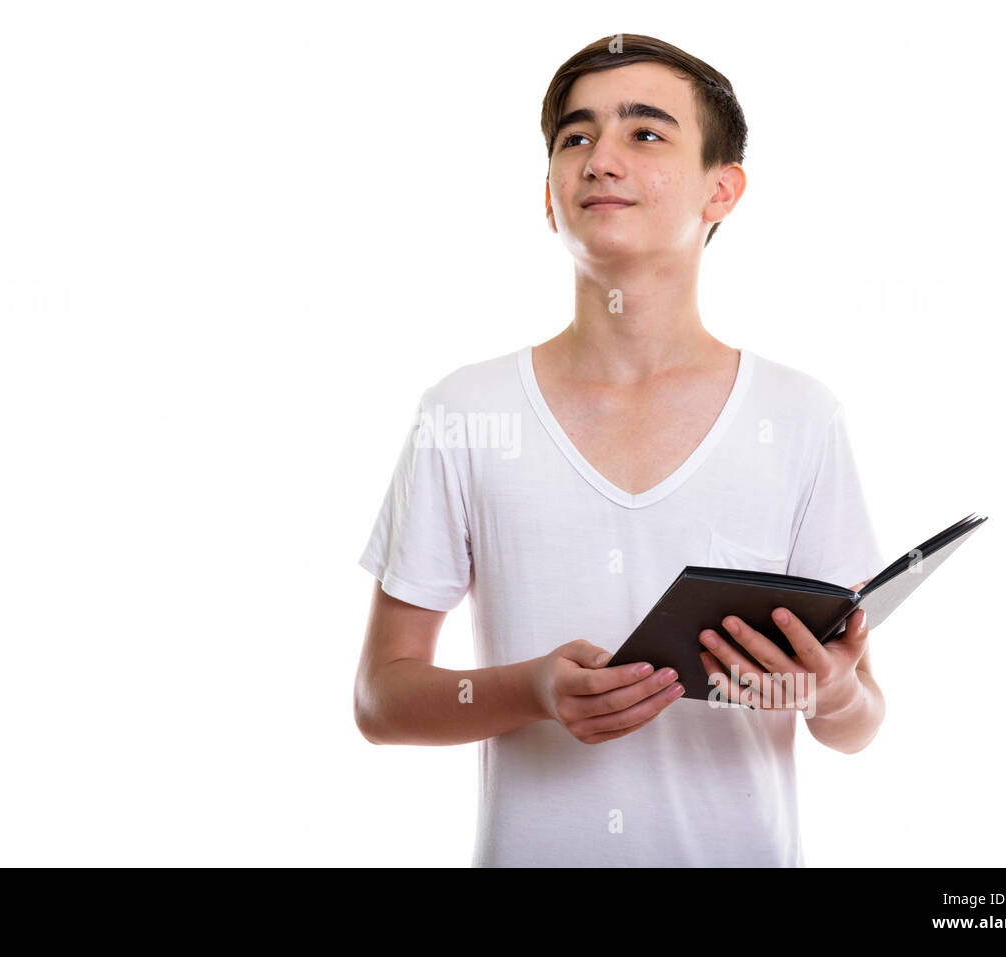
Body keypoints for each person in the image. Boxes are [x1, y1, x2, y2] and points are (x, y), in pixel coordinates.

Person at [353, 34, 886, 866]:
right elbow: (382, 698)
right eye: (576, 137)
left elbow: (856, 724)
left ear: (722, 189)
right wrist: (528, 689)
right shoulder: (463, 411)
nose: (600, 159)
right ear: (548, 194)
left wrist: (834, 689)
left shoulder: (800, 416)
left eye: (645, 134)